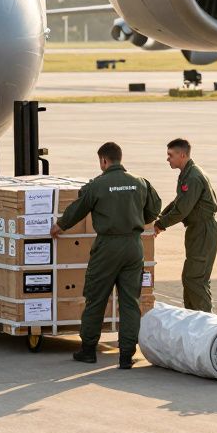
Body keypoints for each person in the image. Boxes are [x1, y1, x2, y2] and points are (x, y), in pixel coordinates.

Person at [51, 142, 161, 369]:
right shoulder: (140, 182)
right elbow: (154, 208)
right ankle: (126, 355)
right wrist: (137, 218)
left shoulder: (98, 185)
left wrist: (60, 225)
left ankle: (88, 350)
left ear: (103, 161)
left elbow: (79, 208)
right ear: (120, 159)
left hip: (108, 246)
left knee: (96, 298)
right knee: (130, 301)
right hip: (133, 246)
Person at [154, 138, 217, 312]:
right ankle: (193, 317)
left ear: (182, 155)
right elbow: (178, 202)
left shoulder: (193, 177)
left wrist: (160, 225)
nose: (168, 159)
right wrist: (159, 217)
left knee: (195, 278)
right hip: (197, 230)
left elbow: (182, 210)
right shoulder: (187, 174)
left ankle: (205, 321)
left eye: (171, 155)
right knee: (191, 277)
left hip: (203, 230)